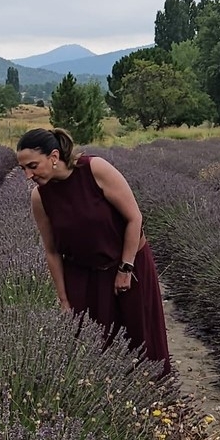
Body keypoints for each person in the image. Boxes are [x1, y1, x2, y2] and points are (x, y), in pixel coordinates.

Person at [15, 127, 171, 375]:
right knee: (93, 349)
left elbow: (134, 218)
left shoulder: (94, 169)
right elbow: (52, 250)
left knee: (141, 340)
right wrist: (64, 299)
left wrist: (125, 268)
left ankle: (157, 400)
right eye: (23, 168)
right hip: (83, 274)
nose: (27, 174)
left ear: (54, 156)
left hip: (128, 266)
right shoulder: (40, 197)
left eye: (32, 166)